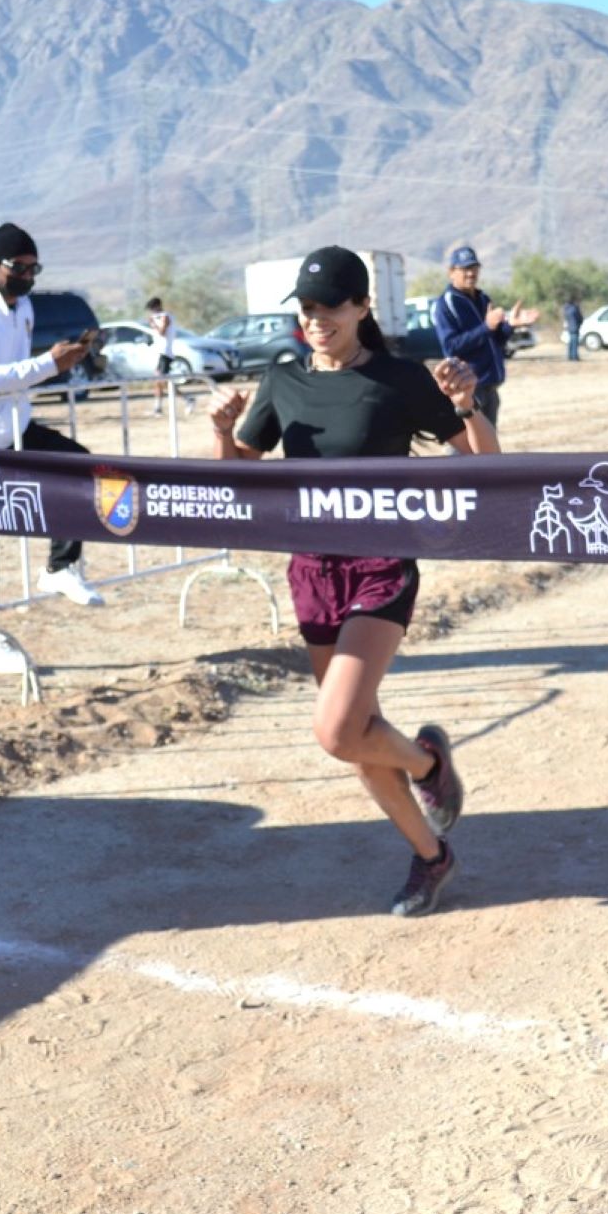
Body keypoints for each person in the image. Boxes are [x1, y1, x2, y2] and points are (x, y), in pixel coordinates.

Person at [208, 247, 499, 917]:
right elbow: (240, 480)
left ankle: (428, 765)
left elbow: (487, 468)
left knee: (338, 729)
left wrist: (467, 404)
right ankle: (433, 857)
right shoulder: (282, 382)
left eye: (329, 309)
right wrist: (225, 435)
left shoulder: (400, 379)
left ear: (363, 307)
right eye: (306, 310)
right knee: (361, 733)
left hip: (380, 570)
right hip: (312, 572)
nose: (315, 321)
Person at [0, 222, 103, 672]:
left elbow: (19, 372)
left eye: (35, 267)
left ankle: (59, 566)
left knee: (79, 467)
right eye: (20, 266)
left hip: (13, 428)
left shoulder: (24, 308)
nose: (28, 275)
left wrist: (56, 362)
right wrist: (46, 364)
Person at [433, 245, 536, 427]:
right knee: (465, 449)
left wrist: (510, 326)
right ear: (451, 272)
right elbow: (451, 347)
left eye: (474, 268)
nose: (471, 273)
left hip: (490, 387)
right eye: (465, 269)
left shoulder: (483, 299)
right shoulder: (446, 304)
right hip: (466, 389)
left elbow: (495, 341)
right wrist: (486, 326)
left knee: (488, 448)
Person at [146, 296, 176, 415]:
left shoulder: (165, 317)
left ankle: (187, 398)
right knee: (158, 380)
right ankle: (157, 407)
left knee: (163, 381)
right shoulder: (158, 317)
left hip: (165, 353)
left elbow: (162, 332)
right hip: (159, 353)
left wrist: (153, 323)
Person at [562, 296, 583, 362]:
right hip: (575, 327)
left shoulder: (566, 308)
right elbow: (580, 318)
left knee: (571, 342)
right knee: (574, 343)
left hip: (569, 327)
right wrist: (580, 323)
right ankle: (575, 357)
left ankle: (570, 356)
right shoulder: (575, 308)